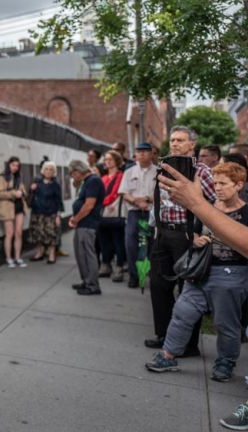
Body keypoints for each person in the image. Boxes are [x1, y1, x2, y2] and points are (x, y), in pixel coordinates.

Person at [158, 162, 248, 431]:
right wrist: (196, 239)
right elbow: (195, 230)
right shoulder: (209, 207)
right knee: (183, 310)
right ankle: (168, 354)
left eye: (224, 183)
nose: (218, 188)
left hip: (232, 273)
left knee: (225, 322)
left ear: (239, 185)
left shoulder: (245, 211)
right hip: (202, 271)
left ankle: (226, 361)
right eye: (216, 183)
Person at [145, 126, 217, 353]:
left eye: (180, 140)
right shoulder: (164, 166)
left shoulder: (201, 171)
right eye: (173, 140)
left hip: (188, 234)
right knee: (158, 286)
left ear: (192, 145)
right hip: (163, 232)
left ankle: (188, 344)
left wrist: (201, 233)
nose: (174, 143)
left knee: (188, 289)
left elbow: (215, 203)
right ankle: (164, 335)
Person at [119, 142, 157, 288]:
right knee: (131, 245)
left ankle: (152, 276)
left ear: (151, 153)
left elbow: (162, 194)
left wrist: (147, 199)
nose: (141, 154)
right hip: (134, 213)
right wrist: (135, 201)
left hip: (152, 212)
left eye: (145, 151)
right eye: (139, 151)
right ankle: (134, 276)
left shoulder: (158, 171)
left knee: (152, 246)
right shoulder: (129, 171)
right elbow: (124, 192)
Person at [68, 160, 105, 295]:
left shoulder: (93, 181)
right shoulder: (87, 181)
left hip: (88, 223)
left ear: (78, 171)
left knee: (88, 254)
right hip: (83, 224)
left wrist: (75, 219)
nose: (72, 177)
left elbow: (89, 205)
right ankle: (86, 281)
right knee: (81, 254)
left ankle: (92, 285)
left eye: (72, 174)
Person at [98, 150, 127, 281]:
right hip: (103, 213)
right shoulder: (103, 178)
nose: (107, 162)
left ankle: (119, 267)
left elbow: (116, 193)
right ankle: (106, 264)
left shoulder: (121, 176)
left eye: (110, 159)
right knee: (104, 240)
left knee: (118, 240)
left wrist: (101, 203)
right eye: (106, 159)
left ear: (117, 161)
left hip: (114, 212)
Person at [28, 161, 64, 264]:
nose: (48, 171)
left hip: (51, 213)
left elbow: (59, 201)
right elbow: (29, 196)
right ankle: (39, 253)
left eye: (51, 169)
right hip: (37, 213)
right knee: (37, 234)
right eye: (46, 169)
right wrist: (31, 189)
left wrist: (58, 215)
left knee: (51, 234)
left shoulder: (55, 185)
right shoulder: (37, 183)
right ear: (43, 170)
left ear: (54, 172)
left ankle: (52, 255)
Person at [0, 156, 28, 268]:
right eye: (13, 165)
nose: (15, 167)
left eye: (17, 166)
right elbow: (0, 193)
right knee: (9, 234)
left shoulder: (19, 177)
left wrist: (22, 192)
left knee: (18, 233)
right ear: (8, 165)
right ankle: (9, 258)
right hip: (7, 207)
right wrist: (14, 193)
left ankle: (18, 257)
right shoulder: (2, 177)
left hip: (19, 207)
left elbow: (23, 191)